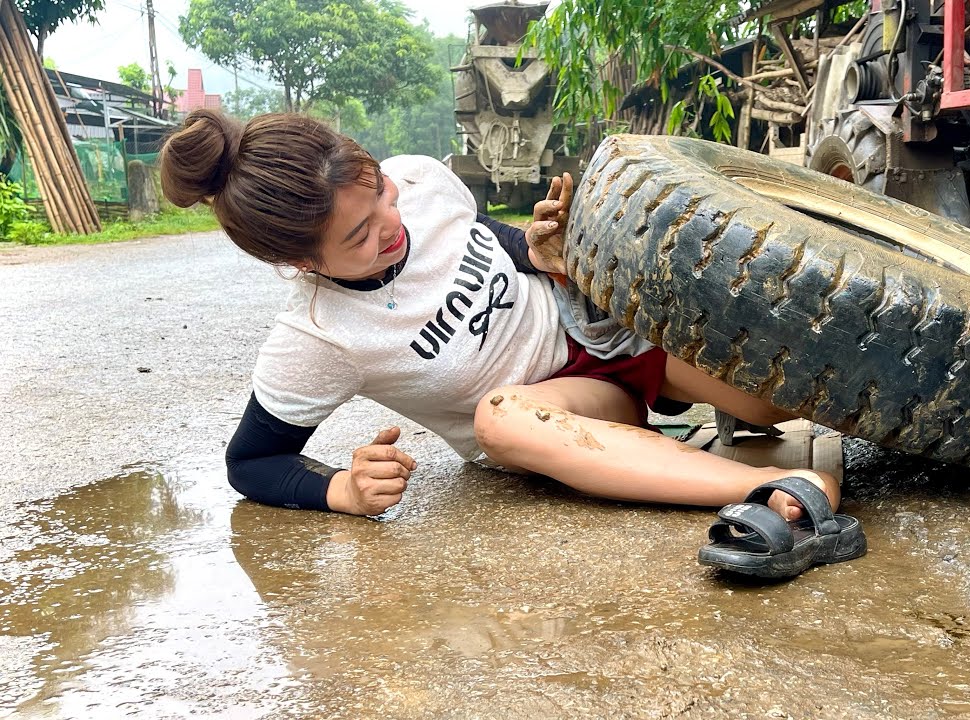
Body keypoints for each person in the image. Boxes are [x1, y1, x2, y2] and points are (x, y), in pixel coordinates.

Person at [159, 109, 839, 525]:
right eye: (359, 237)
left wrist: (537, 250)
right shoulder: (317, 335)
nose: (391, 226)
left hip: (610, 335)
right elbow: (251, 461)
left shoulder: (421, 178)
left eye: (381, 198)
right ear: (306, 265)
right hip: (564, 412)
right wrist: (341, 488)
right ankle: (765, 486)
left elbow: (481, 232)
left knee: (792, 399)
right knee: (498, 418)